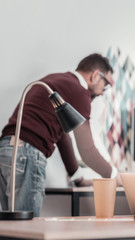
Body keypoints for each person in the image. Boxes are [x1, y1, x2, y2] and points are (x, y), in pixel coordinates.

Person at [0, 53, 120, 217]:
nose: (102, 93)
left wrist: (76, 177)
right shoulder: (79, 92)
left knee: (12, 227)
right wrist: (115, 176)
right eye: (105, 84)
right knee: (27, 228)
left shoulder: (57, 80)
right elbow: (87, 149)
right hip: (27, 155)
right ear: (95, 75)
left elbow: (62, 136)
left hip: (7, 152)